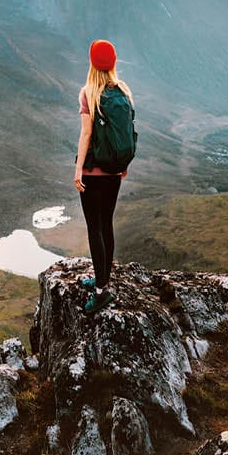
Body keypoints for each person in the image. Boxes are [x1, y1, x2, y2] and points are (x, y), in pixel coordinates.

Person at [74, 38, 135, 315]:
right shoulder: (123, 91)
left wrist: (78, 169)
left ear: (92, 63)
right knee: (106, 225)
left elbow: (87, 134)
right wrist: (123, 165)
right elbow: (124, 133)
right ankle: (103, 279)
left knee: (94, 228)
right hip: (113, 173)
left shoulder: (88, 93)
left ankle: (101, 291)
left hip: (93, 173)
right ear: (112, 64)